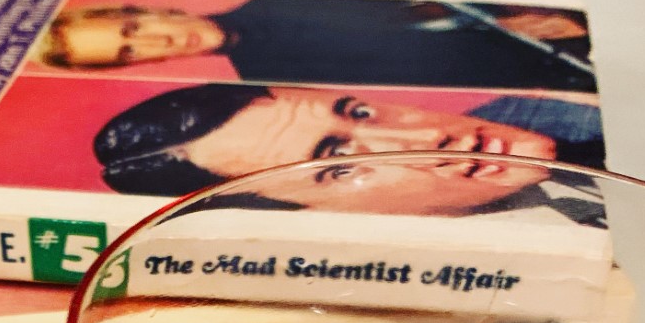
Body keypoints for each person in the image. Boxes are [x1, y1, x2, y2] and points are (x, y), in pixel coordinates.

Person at [94, 83, 606, 221]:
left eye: (359, 112)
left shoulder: (565, 107)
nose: (422, 140)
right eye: (340, 166)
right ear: (312, 215)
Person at [43, 0, 596, 94]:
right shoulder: (275, 84)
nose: (157, 40)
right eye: (130, 52)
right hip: (565, 73)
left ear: (143, 9)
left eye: (132, 28)